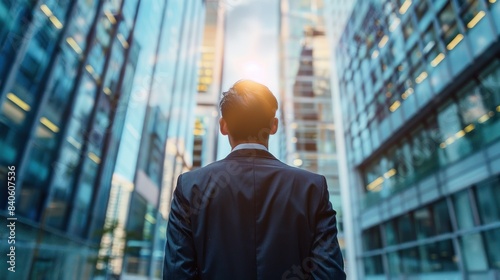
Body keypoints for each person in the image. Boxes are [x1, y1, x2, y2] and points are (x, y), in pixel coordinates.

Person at [163, 80, 345, 280]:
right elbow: (329, 275)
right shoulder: (312, 188)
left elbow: (177, 274)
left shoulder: (189, 187)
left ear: (223, 126)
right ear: (273, 126)